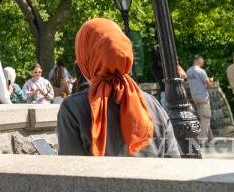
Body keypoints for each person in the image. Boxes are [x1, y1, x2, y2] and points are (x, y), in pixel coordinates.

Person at [57, 18, 180, 158]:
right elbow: (173, 162)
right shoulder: (152, 104)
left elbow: (70, 173)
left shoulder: (73, 108)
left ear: (85, 56)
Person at [185, 55, 215, 146]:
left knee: (203, 118)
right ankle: (201, 141)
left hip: (194, 97)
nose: (203, 64)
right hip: (203, 96)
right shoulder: (201, 71)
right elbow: (209, 85)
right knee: (206, 118)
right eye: (202, 62)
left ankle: (211, 140)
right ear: (199, 61)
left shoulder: (188, 71)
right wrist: (211, 80)